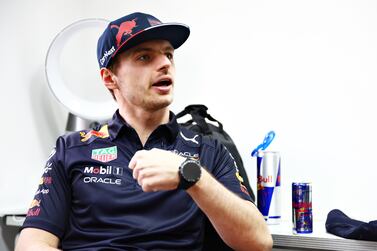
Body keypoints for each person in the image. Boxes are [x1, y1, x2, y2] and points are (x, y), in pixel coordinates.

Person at [16, 12, 273, 251]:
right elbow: (31, 244)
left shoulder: (206, 149)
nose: (164, 64)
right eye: (144, 57)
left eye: (168, 55)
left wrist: (192, 178)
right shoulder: (71, 149)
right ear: (109, 78)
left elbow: (259, 241)